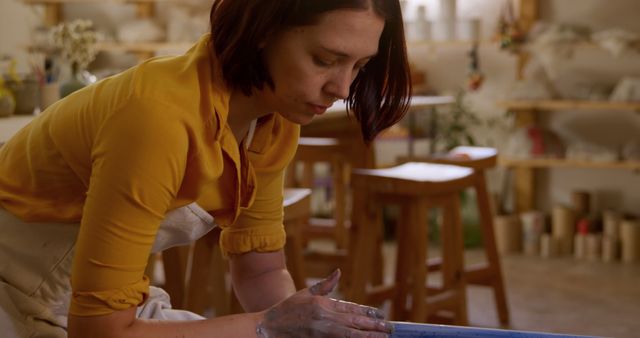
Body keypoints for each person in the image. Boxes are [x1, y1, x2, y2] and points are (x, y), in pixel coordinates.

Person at [0, 0, 411, 337]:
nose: (341, 89)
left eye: (358, 67)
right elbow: (99, 332)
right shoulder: (158, 117)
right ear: (263, 29)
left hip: (81, 299)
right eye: (325, 59)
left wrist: (296, 325)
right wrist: (267, 326)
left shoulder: (274, 120)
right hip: (14, 292)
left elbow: (260, 265)